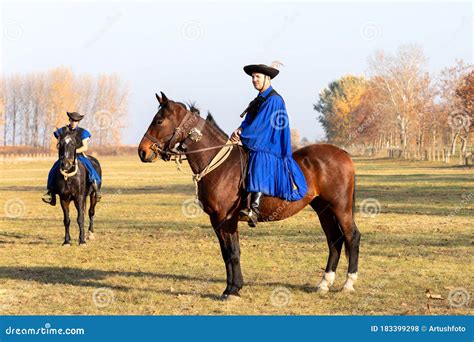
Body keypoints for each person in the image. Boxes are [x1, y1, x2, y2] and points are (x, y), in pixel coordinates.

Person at [230, 63, 308, 227]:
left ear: (268, 78)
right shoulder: (259, 99)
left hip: (270, 143)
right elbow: (250, 120)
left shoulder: (274, 100)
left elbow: (263, 125)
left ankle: (254, 209)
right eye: (252, 77)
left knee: (259, 158)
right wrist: (240, 130)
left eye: (257, 76)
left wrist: (244, 136)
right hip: (258, 138)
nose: (254, 80)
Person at [42, 112, 102, 206]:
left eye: (76, 121)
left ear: (78, 122)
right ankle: (50, 193)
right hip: (65, 156)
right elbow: (58, 144)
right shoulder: (62, 131)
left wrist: (74, 151)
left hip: (79, 155)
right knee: (53, 170)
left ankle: (96, 188)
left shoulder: (83, 132)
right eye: (72, 120)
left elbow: (85, 147)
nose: (74, 122)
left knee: (90, 167)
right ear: (69, 120)